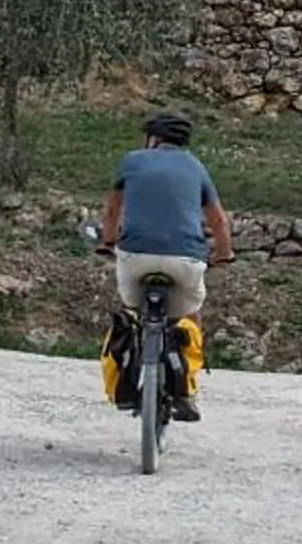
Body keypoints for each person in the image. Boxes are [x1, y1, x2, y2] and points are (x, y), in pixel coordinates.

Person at [99, 111, 234, 421]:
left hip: (135, 257)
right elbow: (218, 221)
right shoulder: (196, 167)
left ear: (153, 139)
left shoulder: (132, 161)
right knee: (190, 315)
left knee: (131, 310)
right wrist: (224, 254)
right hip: (185, 260)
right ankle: (186, 392)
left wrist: (107, 242)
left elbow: (112, 211)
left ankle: (125, 379)